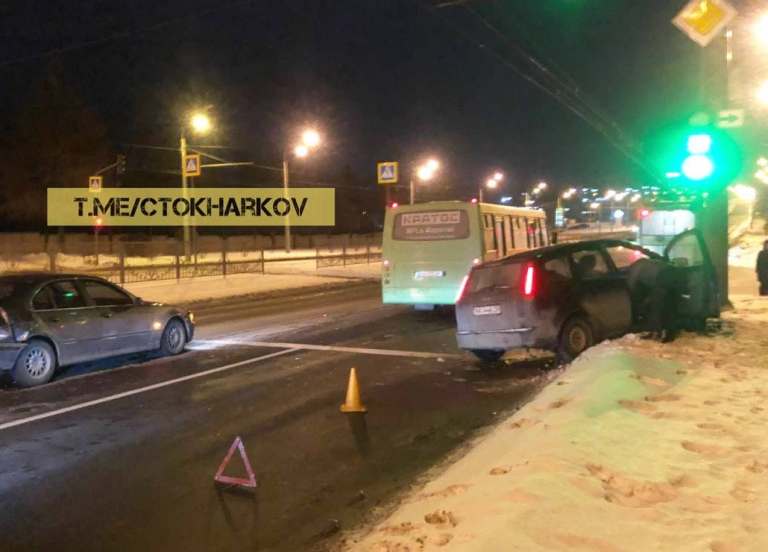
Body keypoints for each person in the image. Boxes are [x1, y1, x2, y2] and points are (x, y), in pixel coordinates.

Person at [628, 257, 681, 342]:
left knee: (656, 307)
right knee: (670, 306)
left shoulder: (633, 270)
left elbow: (631, 285)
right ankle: (670, 332)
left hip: (662, 277)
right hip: (674, 273)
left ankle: (657, 332)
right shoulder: (644, 263)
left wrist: (635, 301)